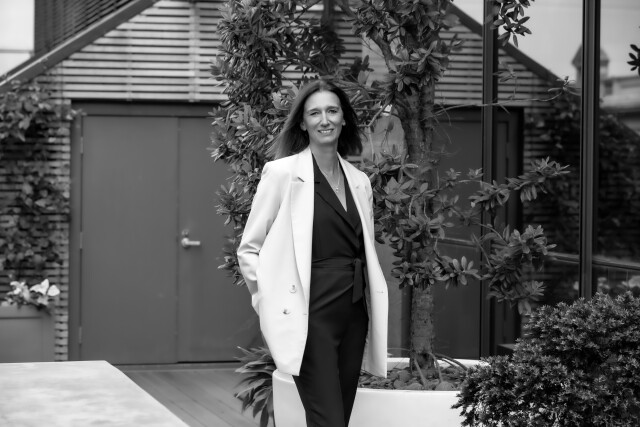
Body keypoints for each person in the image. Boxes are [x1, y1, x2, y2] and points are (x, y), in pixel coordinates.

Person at [237, 79, 388, 427]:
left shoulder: (359, 181)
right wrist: (267, 298)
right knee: (328, 420)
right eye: (314, 113)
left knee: (338, 419)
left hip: (353, 313)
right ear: (303, 123)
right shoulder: (282, 174)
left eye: (332, 111)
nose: (325, 120)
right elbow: (249, 248)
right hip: (309, 313)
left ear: (344, 118)